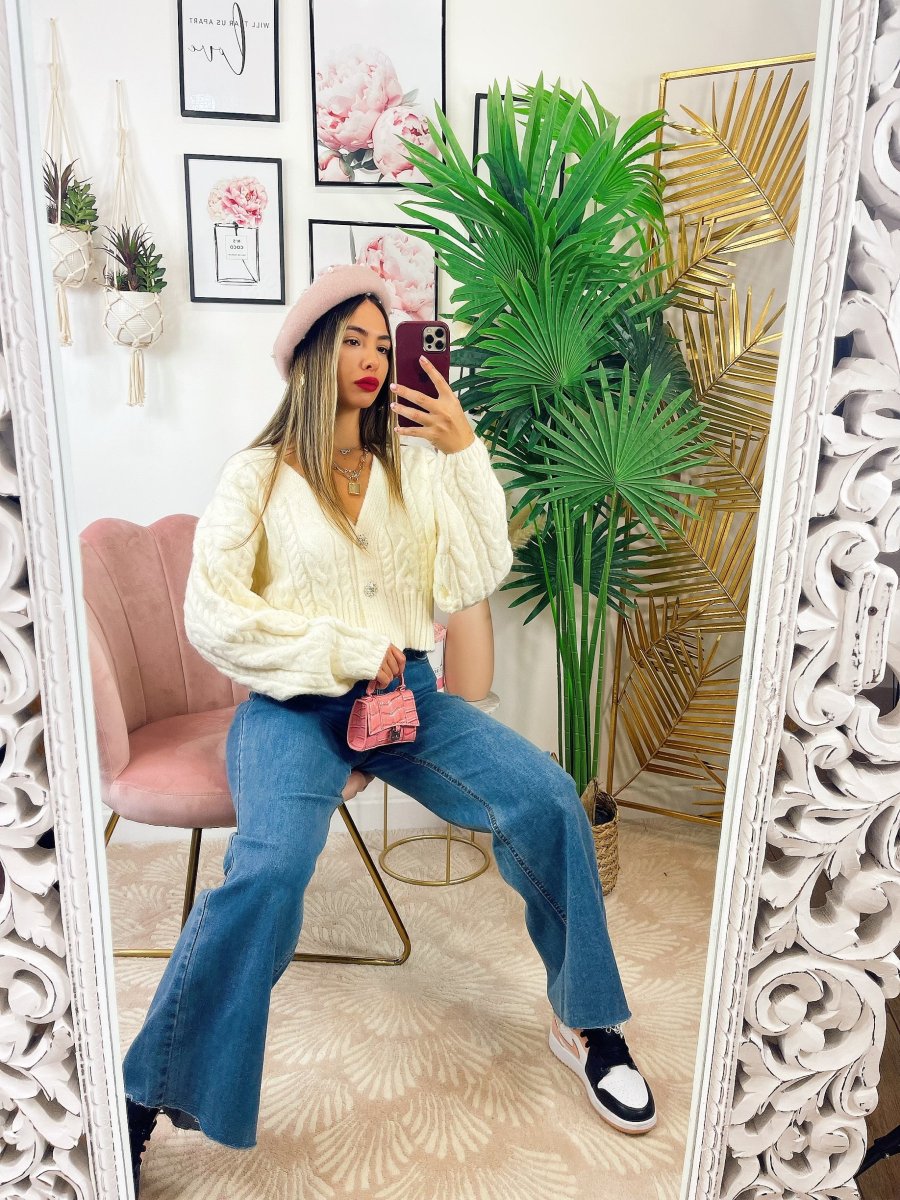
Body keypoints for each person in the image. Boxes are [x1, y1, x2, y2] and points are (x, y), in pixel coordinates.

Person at [122, 263, 656, 1195]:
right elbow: (213, 616)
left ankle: (587, 1022)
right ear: (311, 355)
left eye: (385, 341)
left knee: (544, 797)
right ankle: (145, 1094)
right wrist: (335, 648)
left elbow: (468, 578)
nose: (374, 358)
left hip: (405, 698)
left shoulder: (413, 463)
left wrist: (463, 450)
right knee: (270, 870)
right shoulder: (256, 475)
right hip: (291, 706)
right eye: (354, 341)